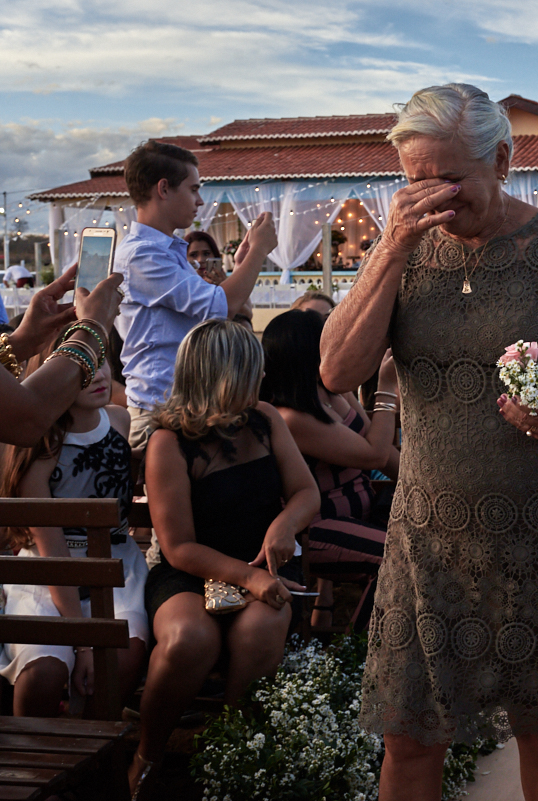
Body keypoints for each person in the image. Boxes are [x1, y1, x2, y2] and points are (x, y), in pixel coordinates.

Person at [318, 83, 538, 801]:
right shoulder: (402, 252)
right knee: (409, 737)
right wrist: (391, 245)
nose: (432, 196)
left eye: (449, 177)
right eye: (415, 180)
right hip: (431, 540)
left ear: (501, 158)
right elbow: (336, 367)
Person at [131, 319, 319, 796]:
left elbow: (305, 493)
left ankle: (233, 755)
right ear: (224, 376)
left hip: (265, 564)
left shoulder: (265, 418)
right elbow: (178, 547)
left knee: (259, 628)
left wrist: (284, 524)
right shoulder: (168, 443)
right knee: (188, 641)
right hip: (192, 572)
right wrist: (246, 579)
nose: (261, 380)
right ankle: (147, 754)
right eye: (253, 370)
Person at [0, 357, 147, 718]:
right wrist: (82, 643)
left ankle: (93, 749)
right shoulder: (38, 445)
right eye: (82, 368)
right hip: (50, 571)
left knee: (122, 657)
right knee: (44, 672)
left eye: (100, 363)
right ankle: (33, 765)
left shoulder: (119, 420)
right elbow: (53, 553)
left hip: (116, 567)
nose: (98, 375)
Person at [113, 140, 278, 453]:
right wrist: (258, 251)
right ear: (163, 189)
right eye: (193, 189)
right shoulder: (142, 256)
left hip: (186, 405)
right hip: (158, 410)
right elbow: (222, 307)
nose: (199, 201)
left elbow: (218, 306)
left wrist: (242, 265)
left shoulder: (168, 251)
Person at [259, 309, 397, 630]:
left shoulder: (333, 390)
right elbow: (374, 455)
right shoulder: (291, 418)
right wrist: (388, 389)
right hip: (319, 529)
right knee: (397, 560)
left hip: (361, 511)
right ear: (309, 351)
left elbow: (376, 445)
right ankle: (360, 652)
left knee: (421, 537)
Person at [0, 264, 124, 447]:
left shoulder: (119, 417)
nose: (97, 375)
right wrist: (93, 328)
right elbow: (24, 422)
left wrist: (22, 342)